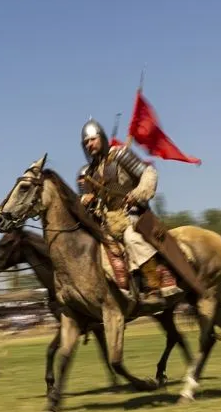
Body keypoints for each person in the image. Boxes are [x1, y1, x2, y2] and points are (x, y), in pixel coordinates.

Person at [77, 118, 203, 304]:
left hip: (131, 214)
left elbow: (148, 173)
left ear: (102, 138)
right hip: (108, 223)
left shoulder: (120, 155)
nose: (90, 144)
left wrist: (138, 193)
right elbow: (94, 200)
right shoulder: (90, 172)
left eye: (93, 139)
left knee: (131, 238)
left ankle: (157, 282)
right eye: (86, 142)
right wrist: (87, 200)